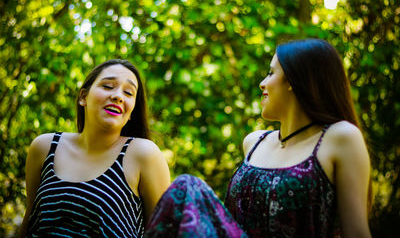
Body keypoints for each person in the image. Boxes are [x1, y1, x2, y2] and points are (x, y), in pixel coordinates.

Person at [145, 39, 371, 238]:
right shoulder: (254, 143)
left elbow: (357, 233)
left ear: (294, 79)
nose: (263, 83)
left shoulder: (340, 137)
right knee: (186, 186)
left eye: (271, 73)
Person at [19, 59, 171, 237]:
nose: (118, 96)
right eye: (107, 86)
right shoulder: (44, 147)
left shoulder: (143, 154)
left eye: (128, 92)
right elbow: (29, 221)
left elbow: (163, 233)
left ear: (132, 112)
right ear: (83, 97)